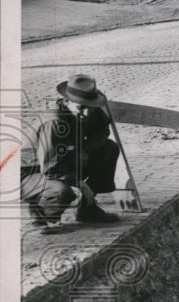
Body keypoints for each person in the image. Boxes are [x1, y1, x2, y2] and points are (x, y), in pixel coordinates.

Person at [21, 74, 121, 232]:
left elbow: (102, 131)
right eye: (82, 107)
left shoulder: (88, 108)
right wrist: (82, 185)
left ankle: (87, 209)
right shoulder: (54, 122)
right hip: (30, 171)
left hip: (61, 158)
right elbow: (51, 167)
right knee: (62, 191)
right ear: (67, 102)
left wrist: (85, 149)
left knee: (109, 148)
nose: (87, 113)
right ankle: (42, 216)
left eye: (90, 107)